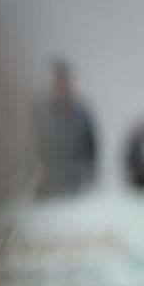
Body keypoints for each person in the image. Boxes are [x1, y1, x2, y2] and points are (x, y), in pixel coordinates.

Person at [31, 60, 97, 196]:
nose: (62, 85)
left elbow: (91, 145)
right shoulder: (41, 111)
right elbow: (33, 142)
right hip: (48, 178)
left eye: (65, 81)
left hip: (75, 178)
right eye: (58, 81)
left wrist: (91, 174)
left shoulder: (82, 112)